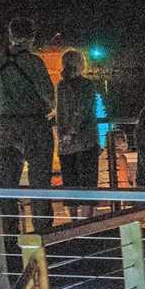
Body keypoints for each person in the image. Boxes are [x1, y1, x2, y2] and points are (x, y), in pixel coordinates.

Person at [0, 18, 55, 228]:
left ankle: (9, 235)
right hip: (34, 125)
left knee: (6, 184)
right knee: (40, 181)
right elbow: (49, 95)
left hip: (4, 125)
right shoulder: (34, 62)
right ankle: (42, 233)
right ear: (32, 37)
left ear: (10, 35)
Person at [55, 50, 103, 210]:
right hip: (86, 141)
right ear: (81, 64)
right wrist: (73, 131)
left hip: (65, 146)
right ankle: (87, 224)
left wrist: (65, 135)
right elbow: (84, 109)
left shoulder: (60, 86)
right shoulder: (88, 85)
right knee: (89, 185)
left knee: (70, 186)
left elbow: (60, 112)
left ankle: (73, 224)